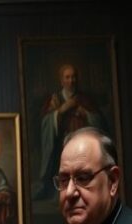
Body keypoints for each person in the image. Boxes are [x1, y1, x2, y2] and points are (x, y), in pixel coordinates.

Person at [33, 64, 106, 200]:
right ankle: (58, 193)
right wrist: (61, 111)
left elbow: (99, 121)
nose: (71, 81)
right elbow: (44, 123)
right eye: (67, 77)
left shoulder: (84, 99)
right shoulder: (54, 100)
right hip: (60, 145)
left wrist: (84, 113)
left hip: (82, 145)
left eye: (73, 77)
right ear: (61, 80)